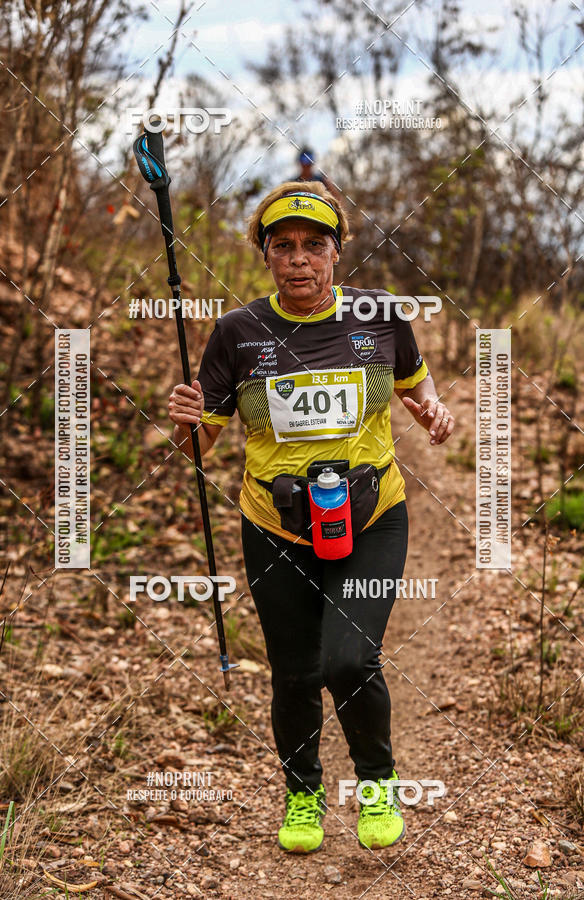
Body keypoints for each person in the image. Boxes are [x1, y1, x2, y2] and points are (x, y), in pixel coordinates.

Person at [168, 181, 454, 854]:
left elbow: (415, 382)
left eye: (313, 246)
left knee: (350, 661)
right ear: (266, 254)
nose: (298, 260)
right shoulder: (237, 332)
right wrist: (182, 424)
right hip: (274, 521)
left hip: (372, 513)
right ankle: (303, 795)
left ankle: (377, 783)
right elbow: (199, 446)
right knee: (294, 671)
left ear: (336, 252)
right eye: (282, 246)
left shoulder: (380, 316)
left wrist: (432, 409)